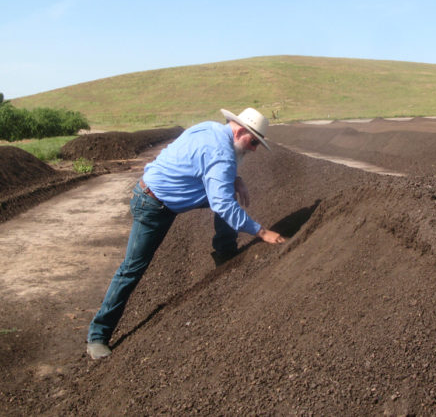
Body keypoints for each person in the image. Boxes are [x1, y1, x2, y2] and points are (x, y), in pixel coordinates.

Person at [86, 108, 286, 359]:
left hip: (168, 194)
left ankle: (225, 252)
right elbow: (221, 200)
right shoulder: (221, 154)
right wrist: (261, 232)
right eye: (254, 141)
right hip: (152, 204)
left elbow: (210, 168)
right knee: (132, 269)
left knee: (225, 195)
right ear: (239, 130)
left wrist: (236, 178)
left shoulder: (210, 128)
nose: (254, 149)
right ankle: (98, 335)